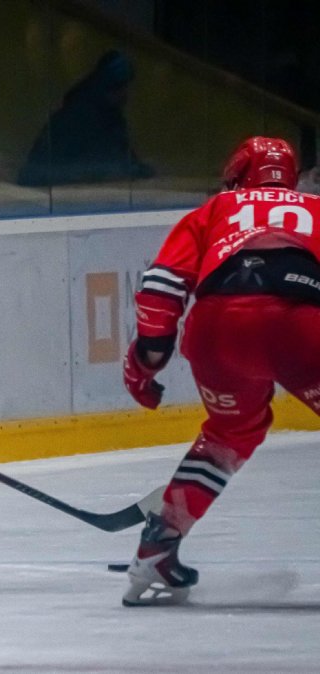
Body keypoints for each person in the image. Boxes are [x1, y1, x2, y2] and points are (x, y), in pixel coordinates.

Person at [120, 136, 320, 606]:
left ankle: (158, 548)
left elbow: (161, 285)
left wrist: (147, 360)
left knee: (230, 434)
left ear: (236, 175)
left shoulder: (214, 210)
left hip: (216, 330)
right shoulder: (316, 209)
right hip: (299, 323)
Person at [17, 50, 153, 186]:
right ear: (112, 86)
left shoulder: (106, 114)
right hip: (54, 184)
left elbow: (120, 153)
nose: (126, 94)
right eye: (123, 87)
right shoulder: (82, 114)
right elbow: (104, 158)